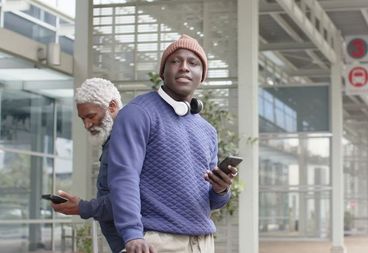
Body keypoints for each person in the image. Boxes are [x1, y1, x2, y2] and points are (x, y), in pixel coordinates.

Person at [108, 34, 238, 253]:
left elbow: (211, 202)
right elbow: (123, 176)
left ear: (202, 75)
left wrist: (220, 188)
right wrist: (132, 234)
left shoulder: (207, 130)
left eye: (193, 62)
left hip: (202, 243)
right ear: (163, 71)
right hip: (155, 243)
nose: (184, 67)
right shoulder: (138, 113)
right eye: (175, 61)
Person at [51, 78, 125, 253]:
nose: (87, 124)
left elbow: (128, 199)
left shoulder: (124, 142)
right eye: (82, 119)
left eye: (91, 116)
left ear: (112, 106)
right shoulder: (113, 142)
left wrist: (82, 207)